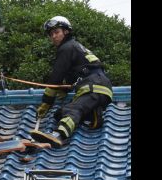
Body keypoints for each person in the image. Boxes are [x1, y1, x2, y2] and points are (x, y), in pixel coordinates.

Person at [31, 16, 113, 147]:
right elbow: (73, 75)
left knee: (72, 110)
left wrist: (46, 103)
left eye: (56, 32)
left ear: (66, 31)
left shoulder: (66, 48)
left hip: (93, 86)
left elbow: (55, 78)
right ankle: (94, 115)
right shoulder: (75, 47)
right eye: (51, 34)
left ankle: (59, 135)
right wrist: (64, 89)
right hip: (100, 87)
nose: (53, 36)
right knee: (60, 114)